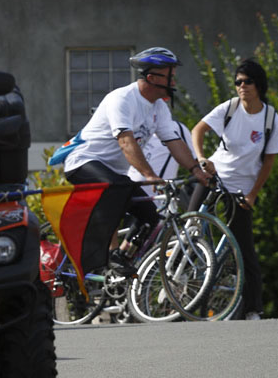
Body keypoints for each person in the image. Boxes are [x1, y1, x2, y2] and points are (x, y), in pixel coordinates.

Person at [63, 47, 210, 272]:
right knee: (116, 187)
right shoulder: (121, 99)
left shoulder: (159, 107)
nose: (174, 80)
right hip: (83, 161)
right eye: (170, 74)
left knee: (150, 215)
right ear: (152, 78)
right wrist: (150, 175)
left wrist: (194, 169)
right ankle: (106, 254)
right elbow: (126, 142)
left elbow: (174, 142)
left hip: (114, 174)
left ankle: (120, 261)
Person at [189, 58, 278, 320]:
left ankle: (253, 308)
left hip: (241, 189)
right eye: (238, 82)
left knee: (244, 248)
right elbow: (198, 129)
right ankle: (177, 279)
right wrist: (201, 158)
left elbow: (269, 161)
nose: (242, 86)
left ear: (259, 85)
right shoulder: (229, 108)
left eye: (247, 81)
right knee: (189, 225)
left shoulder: (271, 119)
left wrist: (253, 194)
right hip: (214, 177)